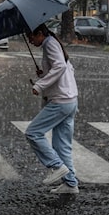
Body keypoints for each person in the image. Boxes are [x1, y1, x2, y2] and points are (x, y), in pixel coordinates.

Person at [25, 23, 79, 194]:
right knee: (61, 144)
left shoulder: (49, 43)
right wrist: (44, 74)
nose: (30, 41)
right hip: (70, 99)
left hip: (60, 100)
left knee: (33, 133)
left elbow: (60, 67)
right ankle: (71, 184)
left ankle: (57, 166)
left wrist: (40, 85)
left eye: (31, 37)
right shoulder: (53, 43)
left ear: (40, 33)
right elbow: (64, 69)